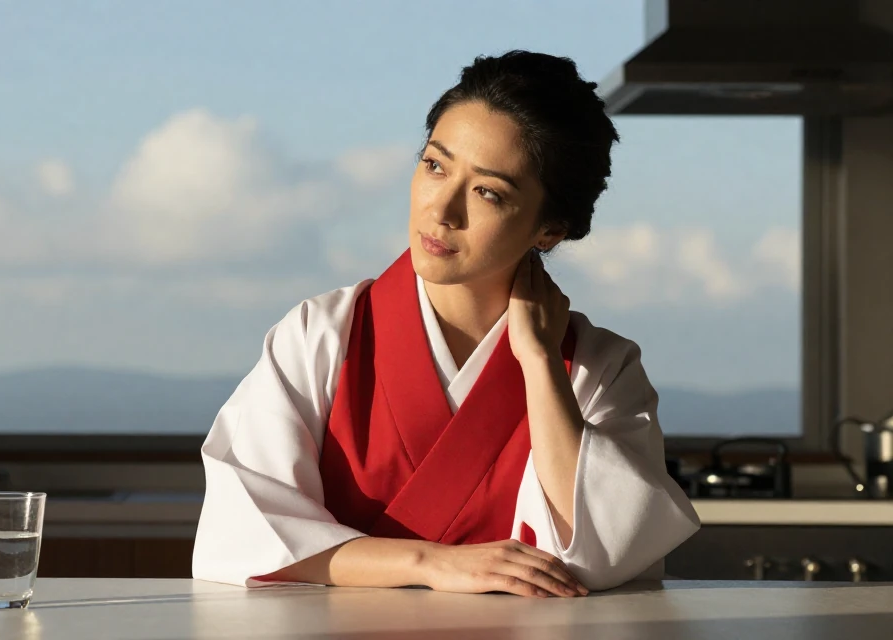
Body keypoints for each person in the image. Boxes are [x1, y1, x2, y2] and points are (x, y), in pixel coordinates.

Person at [191, 51, 700, 597]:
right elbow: (244, 530)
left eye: (488, 192)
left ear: (549, 229)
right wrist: (428, 563)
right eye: (434, 164)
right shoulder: (321, 334)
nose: (442, 210)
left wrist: (539, 363)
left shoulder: (599, 368)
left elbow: (607, 555)